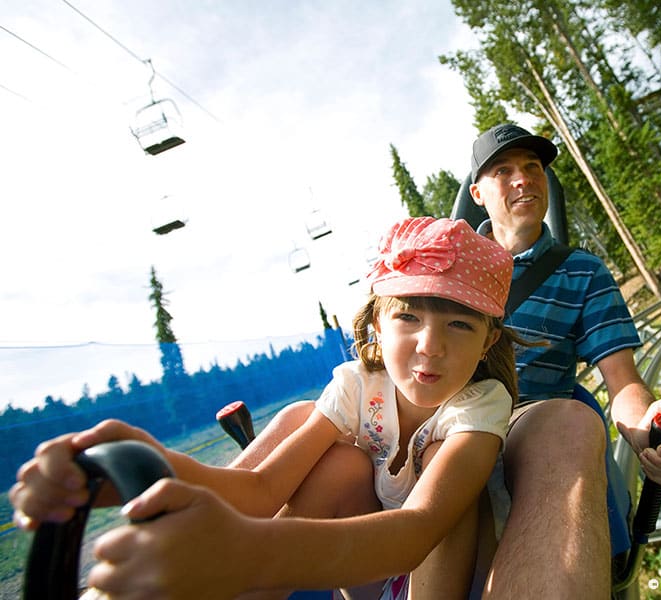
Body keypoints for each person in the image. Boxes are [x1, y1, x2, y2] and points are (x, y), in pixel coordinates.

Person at [11, 216, 526, 600]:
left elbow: (417, 531)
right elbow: (260, 490)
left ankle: (253, 572)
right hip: (361, 568)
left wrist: (252, 551)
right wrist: (158, 463)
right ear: (376, 323)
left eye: (459, 325)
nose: (430, 346)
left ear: (488, 341)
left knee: (455, 501)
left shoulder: (479, 405)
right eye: (409, 317)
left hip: (454, 575)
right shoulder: (357, 387)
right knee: (341, 463)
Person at [466, 123, 661, 598]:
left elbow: (622, 380)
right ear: (478, 192)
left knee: (568, 425)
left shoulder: (583, 272)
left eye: (533, 168)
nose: (523, 179)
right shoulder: (450, 263)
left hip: (537, 426)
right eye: (504, 170)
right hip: (457, 428)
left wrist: (647, 428)